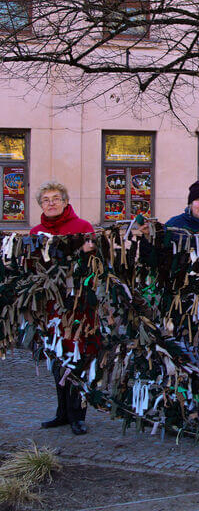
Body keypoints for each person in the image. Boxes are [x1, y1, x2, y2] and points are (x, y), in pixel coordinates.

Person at [30, 181, 95, 436]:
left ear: (66, 201)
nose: (51, 203)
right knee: (56, 356)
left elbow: (95, 263)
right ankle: (62, 413)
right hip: (50, 306)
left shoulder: (82, 227)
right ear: (41, 205)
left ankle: (78, 415)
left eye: (56, 198)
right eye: (46, 199)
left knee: (77, 356)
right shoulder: (36, 232)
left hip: (77, 305)